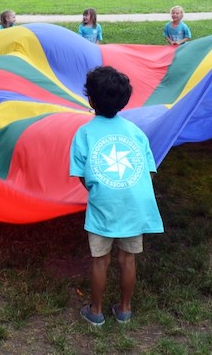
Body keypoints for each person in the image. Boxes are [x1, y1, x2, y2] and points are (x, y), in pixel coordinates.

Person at [70, 65, 163, 326]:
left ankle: (96, 312)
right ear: (124, 100)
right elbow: (149, 172)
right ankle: (124, 309)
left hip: (104, 204)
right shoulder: (136, 133)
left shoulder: (84, 133)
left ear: (90, 99)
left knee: (100, 260)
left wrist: (103, 189)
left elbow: (82, 176)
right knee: (127, 258)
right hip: (135, 204)